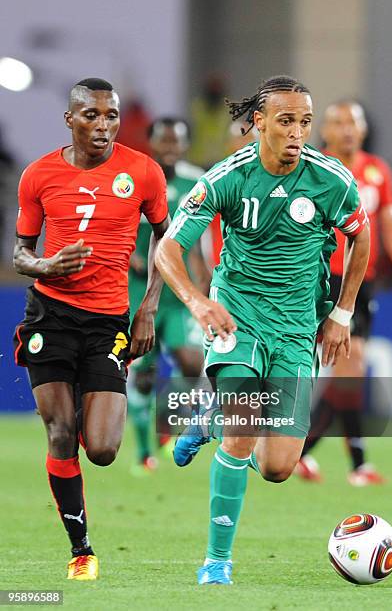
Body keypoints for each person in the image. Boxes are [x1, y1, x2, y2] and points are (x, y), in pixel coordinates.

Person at [155, 75, 370, 585]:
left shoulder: (331, 180)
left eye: (304, 122)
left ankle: (207, 420)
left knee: (277, 467)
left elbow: (359, 239)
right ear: (259, 123)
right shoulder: (227, 177)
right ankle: (216, 562)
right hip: (238, 316)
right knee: (243, 432)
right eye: (286, 121)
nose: (298, 133)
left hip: (297, 327)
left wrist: (341, 313)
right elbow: (168, 248)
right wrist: (198, 302)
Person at [12, 78, 169, 580]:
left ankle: (87, 398)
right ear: (69, 119)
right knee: (60, 433)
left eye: (111, 116)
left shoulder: (143, 173)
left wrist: (148, 309)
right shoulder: (38, 176)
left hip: (108, 321)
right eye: (91, 116)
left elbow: (168, 240)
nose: (103, 126)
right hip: (50, 314)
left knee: (100, 449)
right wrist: (45, 267)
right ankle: (81, 550)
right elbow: (20, 252)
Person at [296, 100, 392, 486]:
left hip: (357, 284)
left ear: (362, 129)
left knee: (349, 370)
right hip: (314, 280)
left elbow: (390, 220)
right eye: (338, 123)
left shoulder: (376, 171)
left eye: (352, 123)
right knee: (325, 371)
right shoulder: (312, 168)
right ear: (324, 131)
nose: (346, 129)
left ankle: (322, 457)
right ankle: (337, 460)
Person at [127, 116, 210, 473]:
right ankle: (144, 451)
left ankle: (167, 419)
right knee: (143, 371)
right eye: (163, 141)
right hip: (139, 291)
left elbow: (199, 242)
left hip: (179, 291)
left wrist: (205, 286)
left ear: (186, 145)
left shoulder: (197, 181)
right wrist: (133, 257)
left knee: (193, 363)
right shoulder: (133, 179)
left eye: (176, 142)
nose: (170, 148)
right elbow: (117, 227)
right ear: (152, 143)